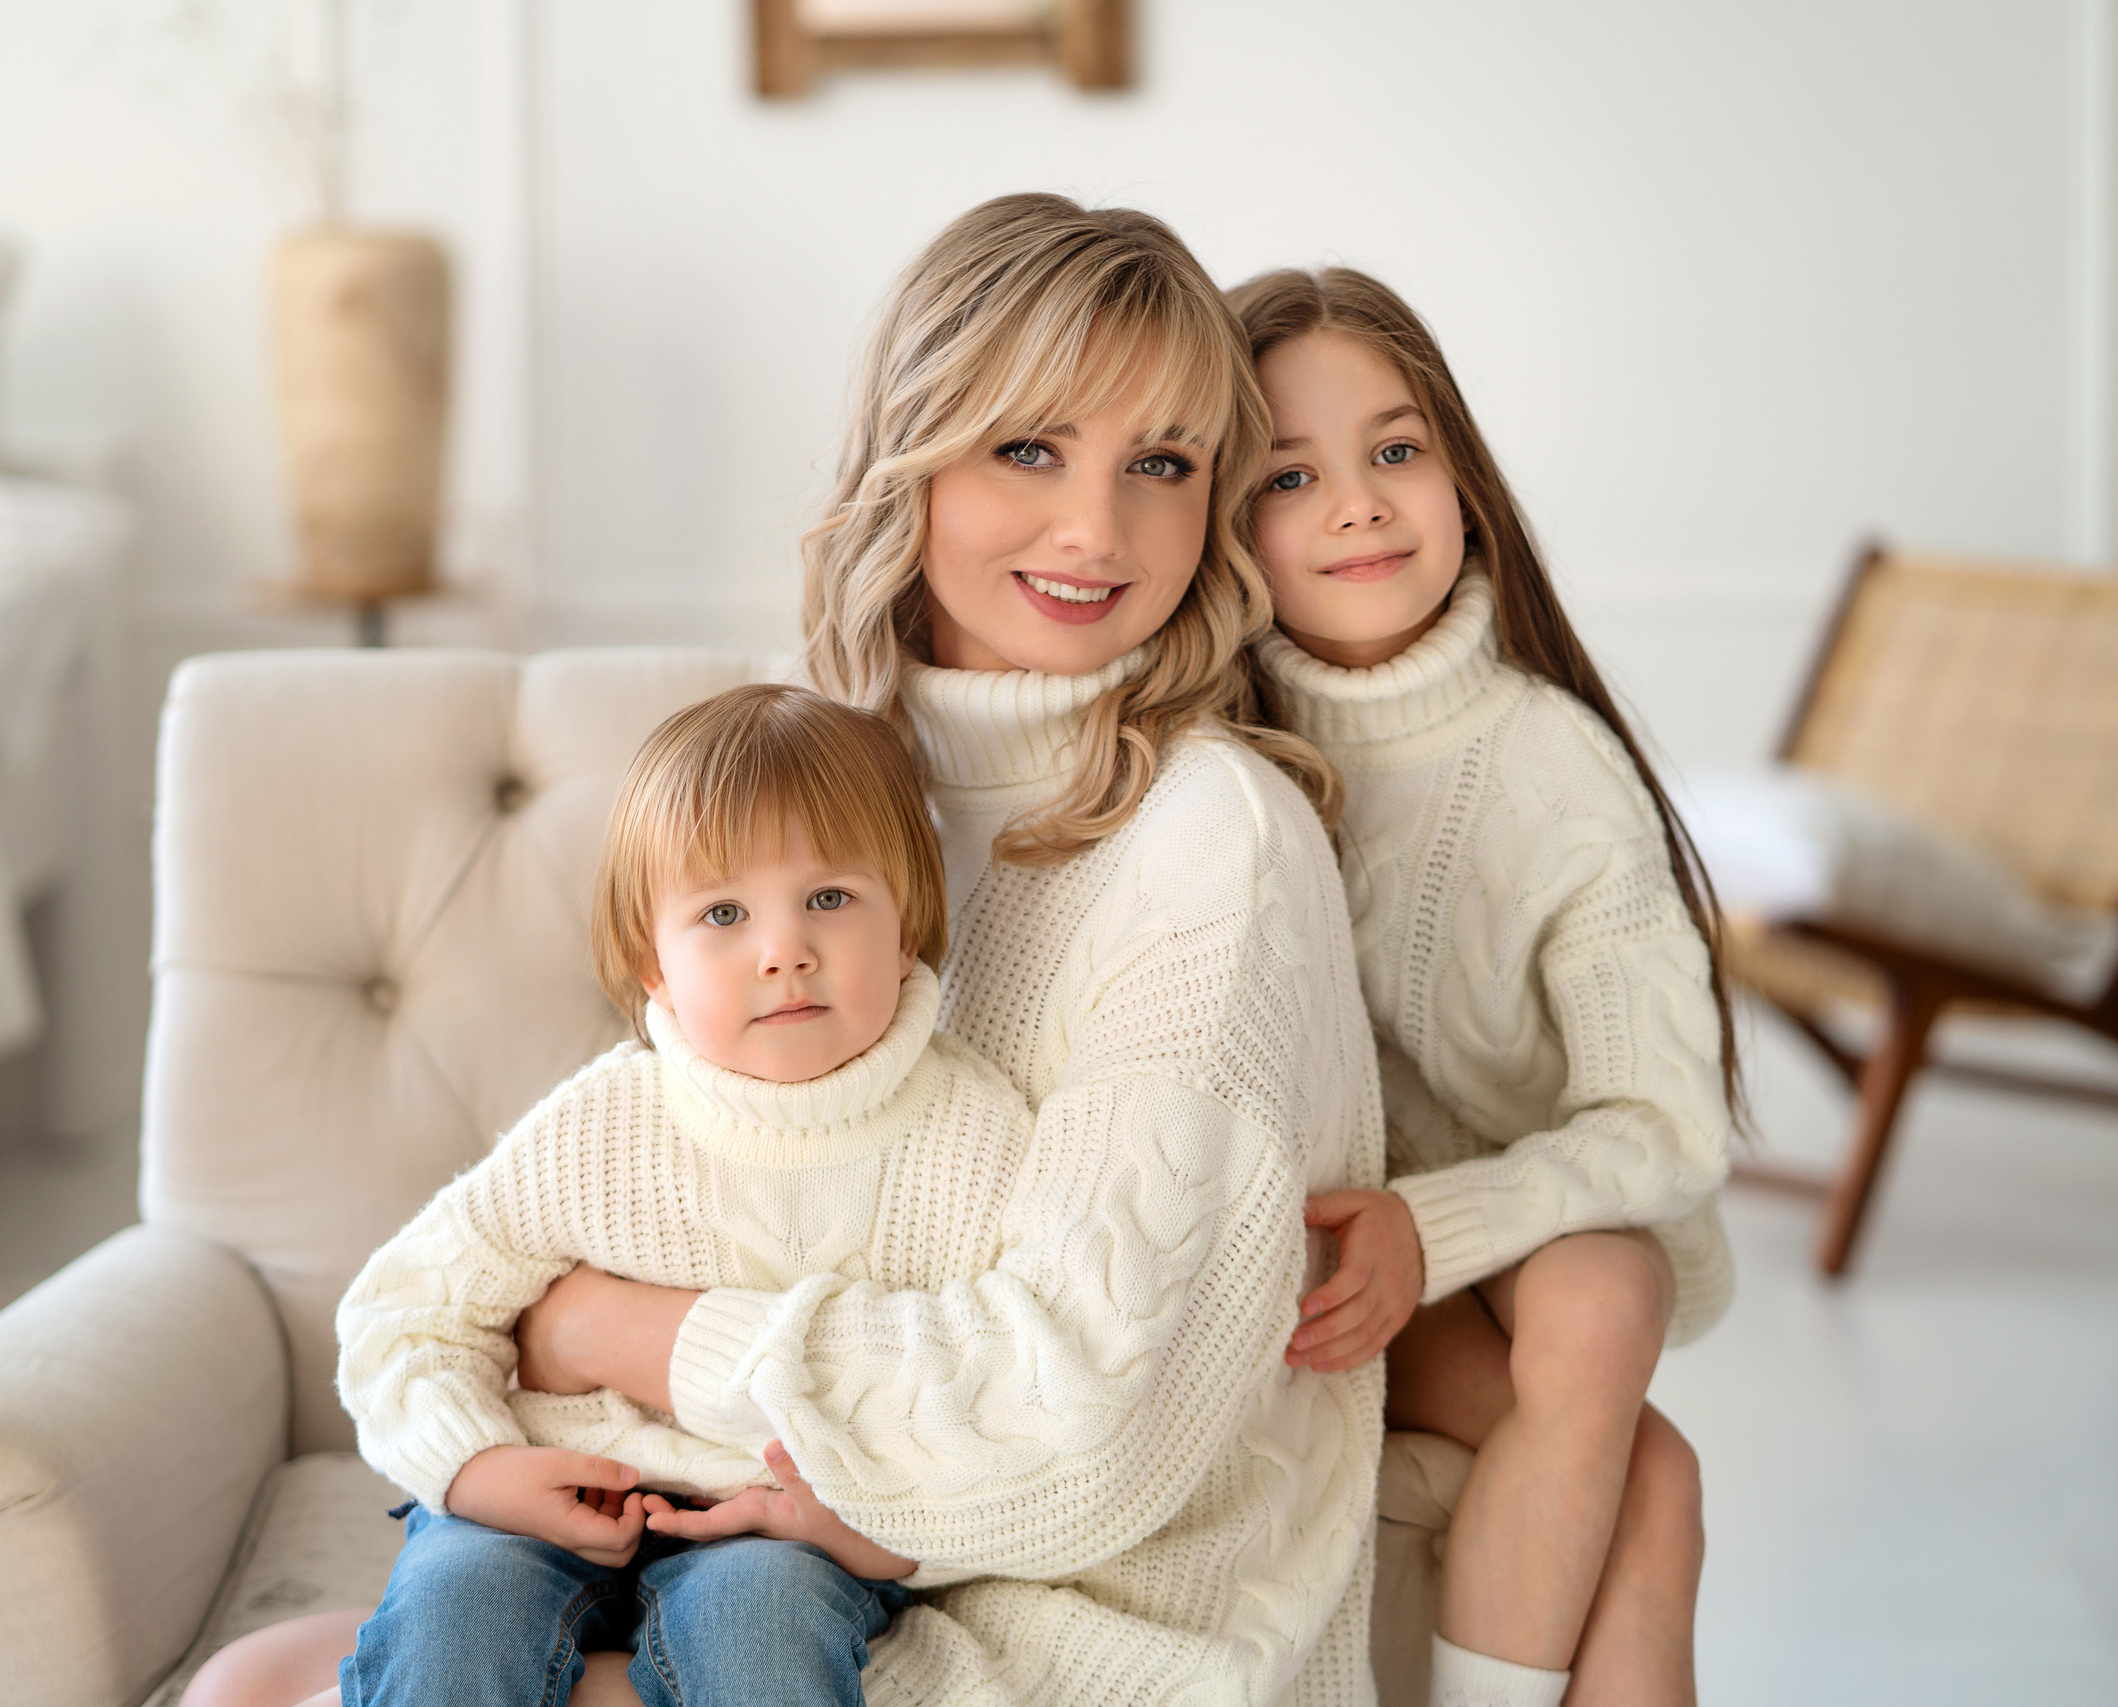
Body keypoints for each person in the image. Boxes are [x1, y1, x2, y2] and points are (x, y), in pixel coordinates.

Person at [192, 192, 1387, 1707]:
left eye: (1160, 463)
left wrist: (618, 1327)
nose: (1098, 529)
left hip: (1071, 1585)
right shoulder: (837, 764)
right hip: (785, 1515)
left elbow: (1082, 1417)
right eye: (1029, 446)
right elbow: (682, 1160)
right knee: (276, 1675)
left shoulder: (1214, 835)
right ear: (916, 451)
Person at [316, 682, 1052, 1707]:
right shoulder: (603, 1124)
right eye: (722, 913)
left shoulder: (977, 1140)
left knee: (762, 1635)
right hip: (547, 1484)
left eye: (830, 899)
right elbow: (403, 1314)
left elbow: (1005, 1394)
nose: (782, 949)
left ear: (910, 921)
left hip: (784, 1529)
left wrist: (872, 1532)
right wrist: (477, 1466)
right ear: (649, 967)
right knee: (456, 1616)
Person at [1227, 265, 1735, 1707]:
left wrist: (1434, 1223)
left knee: (1605, 1282)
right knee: (1662, 1475)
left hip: (1494, 1239)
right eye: (1289, 473)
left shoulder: (1549, 761)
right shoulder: (1216, 749)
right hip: (1304, 1249)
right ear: (1225, 518)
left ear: (1461, 470)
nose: (1361, 504)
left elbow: (1671, 1119)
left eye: (1397, 449)